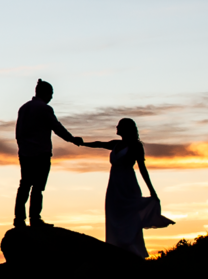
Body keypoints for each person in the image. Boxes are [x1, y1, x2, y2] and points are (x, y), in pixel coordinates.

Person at [80, 117, 159, 257]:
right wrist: (81, 143)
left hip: (128, 184)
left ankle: (131, 250)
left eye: (119, 126)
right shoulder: (116, 144)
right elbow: (99, 144)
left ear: (126, 129)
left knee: (129, 217)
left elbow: (142, 169)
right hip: (114, 185)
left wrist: (152, 191)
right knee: (114, 214)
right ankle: (116, 247)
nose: (116, 128)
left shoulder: (136, 146)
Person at [14, 79, 79, 228]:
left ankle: (19, 219)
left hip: (25, 153)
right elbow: (57, 127)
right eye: (51, 94)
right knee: (37, 187)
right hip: (41, 153)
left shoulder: (23, 108)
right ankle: (35, 219)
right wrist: (72, 139)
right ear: (44, 93)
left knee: (25, 185)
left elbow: (18, 132)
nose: (51, 97)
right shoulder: (44, 109)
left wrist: (22, 148)